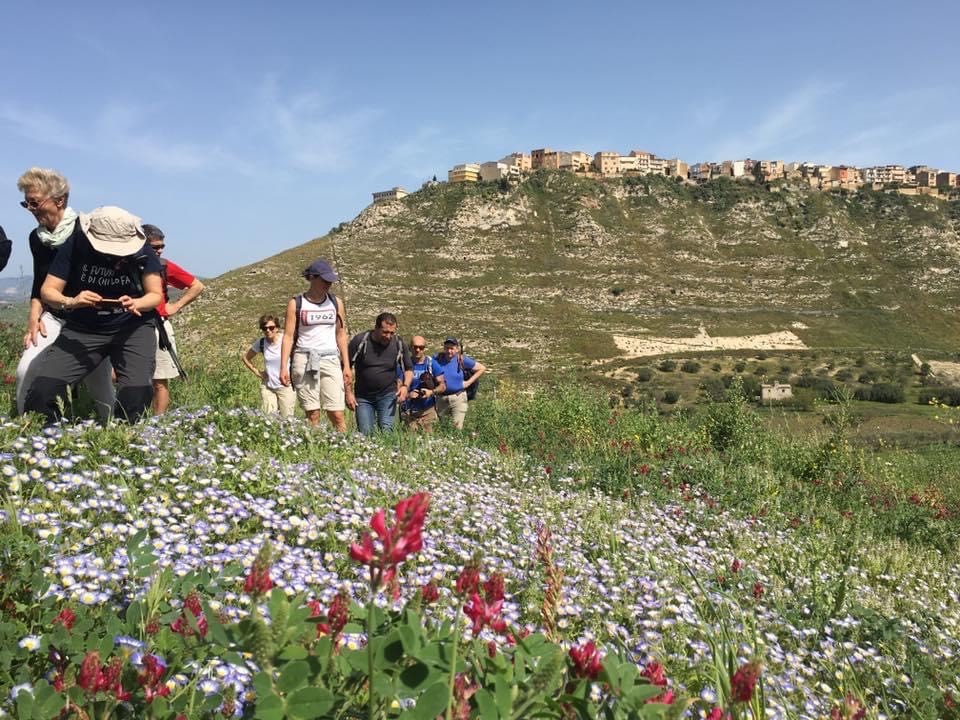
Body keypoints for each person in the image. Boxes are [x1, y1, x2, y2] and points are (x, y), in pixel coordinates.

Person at [22, 206, 163, 424]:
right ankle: (46, 443)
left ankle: (127, 443)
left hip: (133, 327)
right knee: (44, 392)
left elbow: (155, 294)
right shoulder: (76, 244)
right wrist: (72, 301)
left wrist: (138, 302)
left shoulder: (142, 249)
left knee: (136, 394)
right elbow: (48, 291)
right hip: (84, 327)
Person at [15, 168, 114, 420]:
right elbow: (40, 283)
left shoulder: (87, 230)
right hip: (55, 315)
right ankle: (27, 429)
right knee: (26, 369)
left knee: (99, 383)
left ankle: (114, 432)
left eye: (35, 202)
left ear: (59, 200)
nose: (31, 209)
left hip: (89, 320)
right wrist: (33, 318)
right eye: (26, 203)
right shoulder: (36, 238)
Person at [280, 259, 351, 431]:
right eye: (325, 280)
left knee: (337, 413)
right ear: (312, 278)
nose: (329, 284)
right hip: (304, 359)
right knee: (313, 414)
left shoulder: (336, 303)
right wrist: (283, 367)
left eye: (331, 281)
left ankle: (343, 448)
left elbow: (341, 334)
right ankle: (315, 449)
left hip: (330, 358)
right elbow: (288, 336)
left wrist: (347, 365)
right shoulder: (296, 303)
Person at [142, 224, 205, 415]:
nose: (160, 250)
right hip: (131, 326)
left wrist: (175, 306)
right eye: (155, 247)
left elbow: (197, 286)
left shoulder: (164, 266)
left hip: (158, 325)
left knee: (160, 380)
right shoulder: (126, 265)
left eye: (162, 246)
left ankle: (157, 424)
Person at [346, 313, 413, 435]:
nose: (388, 336)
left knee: (387, 431)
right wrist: (348, 393)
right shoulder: (360, 341)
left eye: (392, 333)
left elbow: (408, 369)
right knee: (365, 433)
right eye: (385, 332)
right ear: (376, 328)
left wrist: (405, 386)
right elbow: (345, 368)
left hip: (388, 395)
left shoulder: (398, 344)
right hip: (363, 397)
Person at [242, 313, 296, 417]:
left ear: (277, 328)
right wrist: (258, 372)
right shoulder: (261, 342)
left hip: (285, 386)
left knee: (287, 419)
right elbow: (245, 358)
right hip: (268, 386)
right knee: (269, 418)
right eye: (264, 328)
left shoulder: (286, 340)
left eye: (271, 327)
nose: (268, 330)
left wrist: (294, 375)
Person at [433, 337, 486, 430]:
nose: (449, 351)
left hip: (458, 398)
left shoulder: (461, 360)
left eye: (452, 348)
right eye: (447, 348)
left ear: (457, 349)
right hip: (441, 399)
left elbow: (481, 368)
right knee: (443, 428)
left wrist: (468, 383)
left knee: (457, 428)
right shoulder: (437, 359)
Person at [399, 335, 445, 432]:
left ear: (424, 348)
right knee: (409, 442)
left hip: (428, 410)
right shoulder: (404, 365)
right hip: (408, 411)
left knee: (429, 443)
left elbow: (443, 386)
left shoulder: (431, 364)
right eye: (415, 347)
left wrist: (431, 392)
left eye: (421, 347)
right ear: (410, 347)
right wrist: (408, 395)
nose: (418, 350)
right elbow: (397, 388)